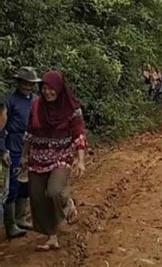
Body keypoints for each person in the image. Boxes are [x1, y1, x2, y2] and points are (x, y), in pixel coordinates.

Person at [22, 71, 87, 251]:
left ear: (59, 88)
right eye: (44, 88)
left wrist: (80, 160)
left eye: (51, 88)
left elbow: (79, 135)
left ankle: (67, 205)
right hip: (38, 158)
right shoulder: (36, 106)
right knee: (36, 197)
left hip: (61, 156)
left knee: (54, 192)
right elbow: (29, 133)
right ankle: (52, 236)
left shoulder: (72, 109)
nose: (47, 92)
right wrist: (24, 156)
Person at [0, 67, 41, 239]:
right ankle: (10, 225)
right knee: (12, 186)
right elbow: (1, 128)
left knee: (26, 183)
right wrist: (3, 150)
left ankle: (21, 217)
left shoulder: (37, 101)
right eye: (24, 83)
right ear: (18, 83)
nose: (27, 86)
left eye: (30, 83)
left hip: (31, 146)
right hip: (13, 146)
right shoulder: (9, 101)